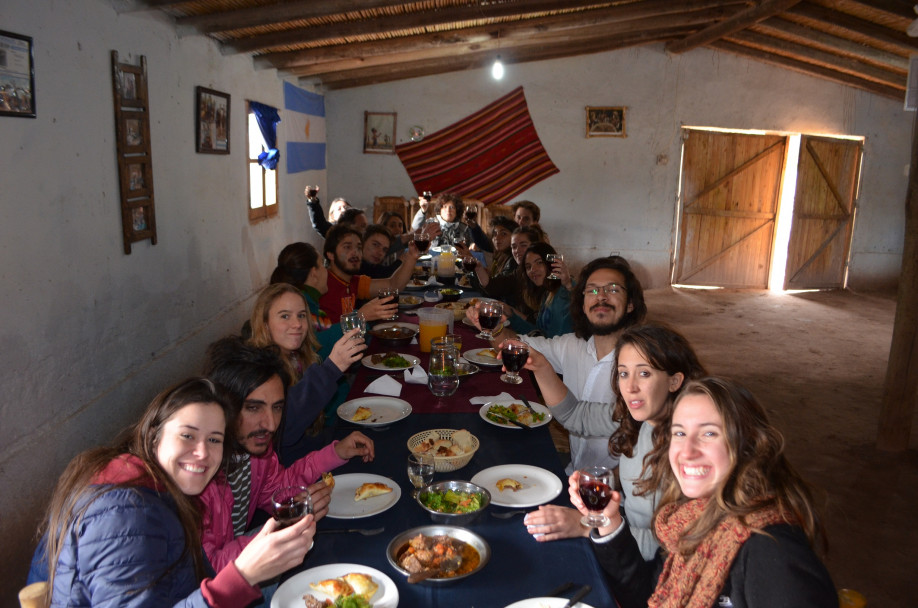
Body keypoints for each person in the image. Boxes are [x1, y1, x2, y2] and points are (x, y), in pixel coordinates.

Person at [36, 377, 314, 607]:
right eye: (187, 435)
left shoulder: (159, 493)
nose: (203, 453)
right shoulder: (126, 512)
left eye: (214, 439)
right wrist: (243, 575)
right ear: (154, 435)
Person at [573, 377, 838, 608]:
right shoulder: (689, 518)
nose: (687, 451)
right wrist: (609, 521)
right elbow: (647, 597)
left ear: (748, 445)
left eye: (709, 433)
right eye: (679, 433)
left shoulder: (771, 552)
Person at [522, 325, 706, 559]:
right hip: (621, 530)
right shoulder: (641, 416)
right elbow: (576, 416)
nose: (630, 388)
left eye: (645, 373)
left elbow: (665, 547)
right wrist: (542, 367)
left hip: (647, 565)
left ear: (674, 381)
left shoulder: (690, 453)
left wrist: (586, 526)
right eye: (623, 373)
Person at [201, 338, 374, 576]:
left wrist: (334, 453)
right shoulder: (199, 472)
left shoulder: (255, 452)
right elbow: (207, 569)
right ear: (223, 405)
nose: (270, 424)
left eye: (277, 407)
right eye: (254, 408)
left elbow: (278, 488)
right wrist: (282, 530)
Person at [467, 256, 647, 475]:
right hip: (573, 474)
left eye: (613, 289)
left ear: (630, 304)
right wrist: (493, 329)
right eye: (592, 290)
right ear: (582, 303)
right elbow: (515, 346)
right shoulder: (572, 344)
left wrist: (603, 486)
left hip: (615, 495)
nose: (601, 297)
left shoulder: (645, 366)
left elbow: (649, 448)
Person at [247, 284, 365, 460]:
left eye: (301, 315)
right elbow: (285, 431)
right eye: (285, 316)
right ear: (265, 324)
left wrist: (336, 448)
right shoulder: (256, 372)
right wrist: (332, 368)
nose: (297, 324)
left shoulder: (299, 358)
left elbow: (311, 435)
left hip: (312, 456)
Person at [320, 223, 419, 324]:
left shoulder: (354, 281)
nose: (355, 253)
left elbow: (392, 285)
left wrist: (412, 256)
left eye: (358, 248)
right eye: (347, 247)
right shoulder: (322, 286)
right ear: (331, 254)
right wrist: (360, 316)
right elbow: (322, 337)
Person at [506, 242, 573, 338]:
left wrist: (568, 284)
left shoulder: (566, 290)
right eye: (528, 267)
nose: (533, 270)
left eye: (539, 262)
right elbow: (539, 334)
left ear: (552, 264)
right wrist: (511, 315)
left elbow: (579, 302)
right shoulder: (547, 293)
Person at [466, 215, 519, 295]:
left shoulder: (513, 261)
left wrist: (477, 270)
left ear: (514, 237)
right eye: (494, 234)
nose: (497, 237)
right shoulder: (500, 255)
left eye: (503, 234)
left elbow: (494, 291)